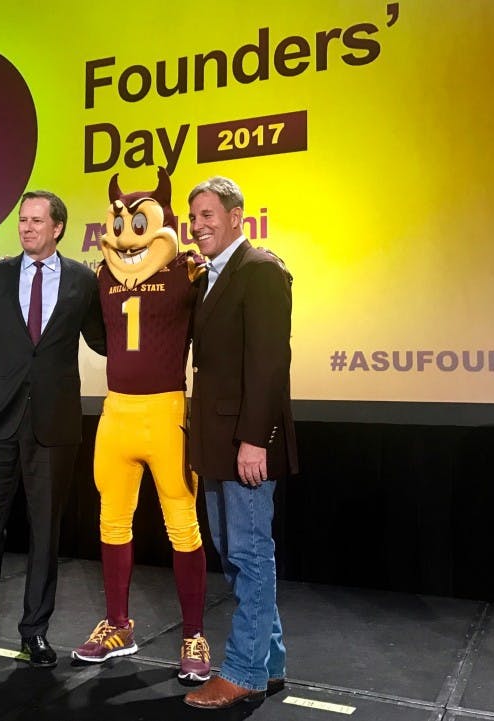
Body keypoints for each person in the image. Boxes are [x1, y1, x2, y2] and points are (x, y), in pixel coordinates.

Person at [0, 190, 106, 673]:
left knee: (45, 535)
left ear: (58, 228)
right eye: (22, 220)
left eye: (36, 221)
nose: (27, 227)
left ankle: (35, 634)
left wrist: (137, 292)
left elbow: (103, 340)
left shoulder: (83, 280)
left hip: (53, 424)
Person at [71, 168, 211, 683]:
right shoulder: (102, 276)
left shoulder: (187, 272)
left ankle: (194, 633)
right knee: (111, 522)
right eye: (119, 226)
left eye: (138, 225)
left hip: (166, 414)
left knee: (183, 525)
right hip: (117, 415)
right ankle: (117, 626)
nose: (127, 237)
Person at [180, 177, 297, 709]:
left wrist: (255, 440)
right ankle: (268, 662)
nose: (197, 225)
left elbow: (270, 365)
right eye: (192, 217)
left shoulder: (261, 270)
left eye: (207, 215)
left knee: (249, 555)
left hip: (245, 444)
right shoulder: (210, 275)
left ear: (236, 218)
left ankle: (245, 671)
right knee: (234, 554)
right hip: (216, 442)